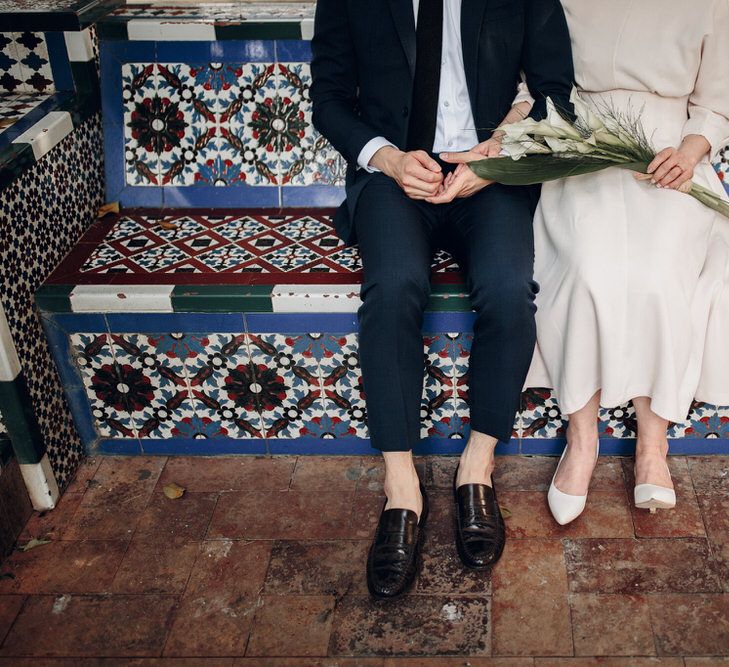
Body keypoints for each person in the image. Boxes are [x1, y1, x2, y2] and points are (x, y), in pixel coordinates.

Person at [311, 0, 574, 599]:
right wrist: (388, 158)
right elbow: (328, 98)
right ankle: (400, 483)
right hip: (396, 176)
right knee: (394, 285)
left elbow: (557, 93)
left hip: (491, 173)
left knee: (510, 292)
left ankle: (476, 466)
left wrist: (502, 156)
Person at [445, 0, 729, 525]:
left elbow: (716, 100)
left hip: (669, 150)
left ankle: (652, 444)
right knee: (588, 266)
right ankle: (582, 438)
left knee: (658, 274)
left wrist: (690, 151)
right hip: (576, 142)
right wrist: (513, 138)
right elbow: (536, 84)